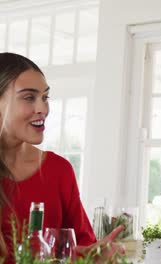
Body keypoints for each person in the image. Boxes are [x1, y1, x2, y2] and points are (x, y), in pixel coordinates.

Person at [0, 52, 123, 263]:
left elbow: (80, 246)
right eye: (29, 97)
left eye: (45, 97)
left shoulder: (59, 170)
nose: (43, 109)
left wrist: (96, 255)